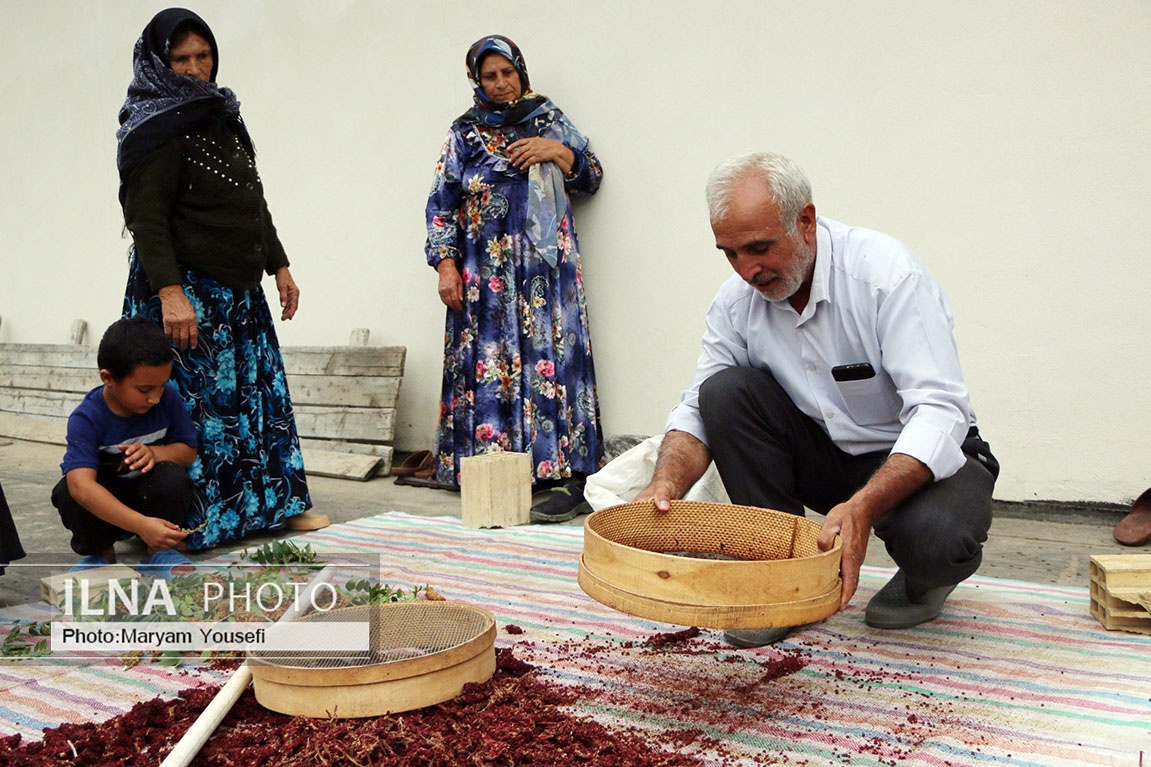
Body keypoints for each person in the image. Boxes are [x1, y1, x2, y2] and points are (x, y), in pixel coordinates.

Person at [637, 152, 1000, 647]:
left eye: (760, 247)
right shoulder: (735, 302)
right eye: (730, 253)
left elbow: (940, 410)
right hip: (825, 455)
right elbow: (699, 409)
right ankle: (783, 578)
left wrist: (864, 506)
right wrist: (664, 485)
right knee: (723, 393)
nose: (748, 270)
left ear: (805, 221)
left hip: (914, 461)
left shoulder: (884, 275)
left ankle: (924, 582)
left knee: (937, 540)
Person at [116, 8, 313, 549]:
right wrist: (171, 292)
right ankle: (194, 519)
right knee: (201, 406)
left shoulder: (222, 115)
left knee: (254, 399)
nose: (196, 68)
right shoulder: (152, 128)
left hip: (237, 293)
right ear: (159, 63)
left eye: (203, 56)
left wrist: (279, 264)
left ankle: (271, 508)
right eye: (181, 59)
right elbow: (147, 219)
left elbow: (250, 201)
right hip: (187, 291)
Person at [422, 35, 605, 522]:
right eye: (490, 75)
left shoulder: (549, 119)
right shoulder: (463, 134)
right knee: (491, 361)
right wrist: (445, 264)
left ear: (521, 71)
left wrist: (557, 151)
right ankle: (491, 467)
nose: (501, 83)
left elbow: (590, 177)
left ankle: (555, 466)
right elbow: (442, 204)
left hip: (547, 271)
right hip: (485, 273)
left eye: (508, 72)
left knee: (549, 355)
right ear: (476, 81)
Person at [51, 318, 197, 576]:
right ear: (108, 378)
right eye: (144, 389)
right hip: (106, 508)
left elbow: (187, 451)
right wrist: (141, 525)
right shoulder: (87, 417)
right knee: (68, 492)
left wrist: (155, 452)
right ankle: (100, 554)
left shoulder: (168, 400)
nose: (155, 397)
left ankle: (159, 552)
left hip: (147, 499)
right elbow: (80, 486)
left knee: (172, 477)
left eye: (162, 386)